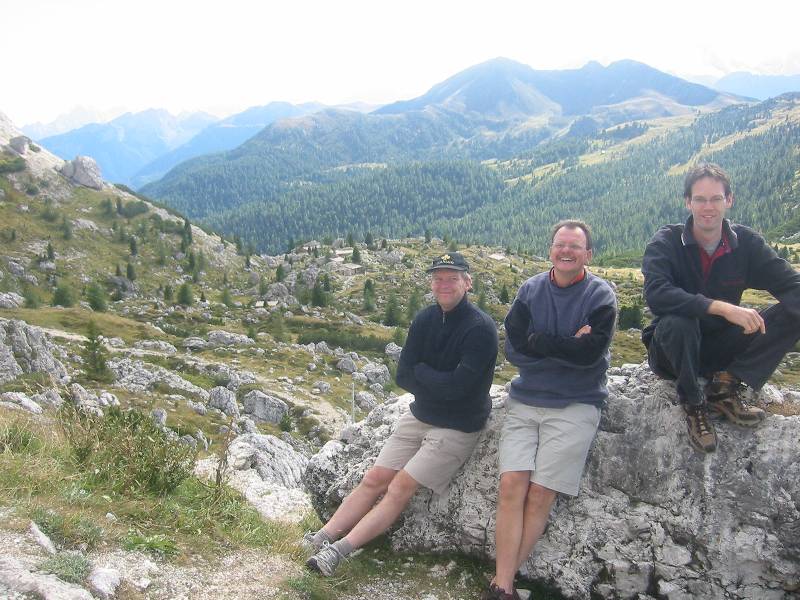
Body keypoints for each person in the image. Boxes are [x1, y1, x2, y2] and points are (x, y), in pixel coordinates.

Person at [303, 252, 498, 577]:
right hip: (421, 414)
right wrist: (436, 380)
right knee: (374, 478)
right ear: (430, 283)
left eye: (452, 278)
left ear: (468, 282)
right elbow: (403, 376)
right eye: (438, 278)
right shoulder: (425, 319)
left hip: (459, 425)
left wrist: (425, 372)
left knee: (400, 486)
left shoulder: (480, 329)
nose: (444, 284)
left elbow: (456, 388)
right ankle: (320, 537)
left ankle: (338, 552)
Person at [483, 221, 617, 600]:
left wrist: (539, 345)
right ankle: (505, 585)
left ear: (588, 254)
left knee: (540, 493)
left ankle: (501, 585)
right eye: (560, 245)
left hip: (576, 403)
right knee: (512, 484)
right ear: (550, 250)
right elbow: (514, 350)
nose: (566, 251)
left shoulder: (601, 296)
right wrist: (563, 347)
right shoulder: (530, 290)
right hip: (526, 400)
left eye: (575, 246)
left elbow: (590, 355)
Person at [642, 162, 800, 452]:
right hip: (672, 352)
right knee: (680, 320)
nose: (708, 207)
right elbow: (657, 294)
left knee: (792, 313)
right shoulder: (666, 242)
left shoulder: (746, 244)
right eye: (700, 199)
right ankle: (693, 403)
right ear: (688, 202)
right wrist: (723, 308)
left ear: (729, 200)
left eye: (716, 198)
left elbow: (791, 285)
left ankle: (726, 387)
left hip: (721, 348)